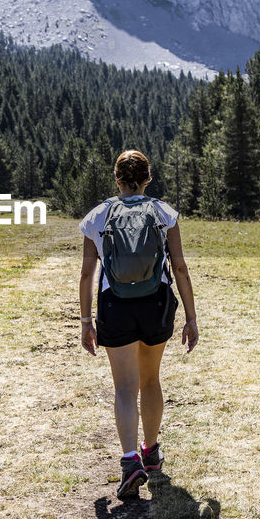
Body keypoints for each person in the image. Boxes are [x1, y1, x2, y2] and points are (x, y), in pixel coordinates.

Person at [79, 150, 199, 499]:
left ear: (116, 178)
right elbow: (179, 268)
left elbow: (88, 273)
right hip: (156, 303)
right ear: (148, 177)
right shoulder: (164, 213)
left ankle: (130, 461)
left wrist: (86, 320)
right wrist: (190, 317)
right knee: (150, 379)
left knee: (124, 387)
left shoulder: (98, 215)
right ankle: (151, 451)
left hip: (115, 305)